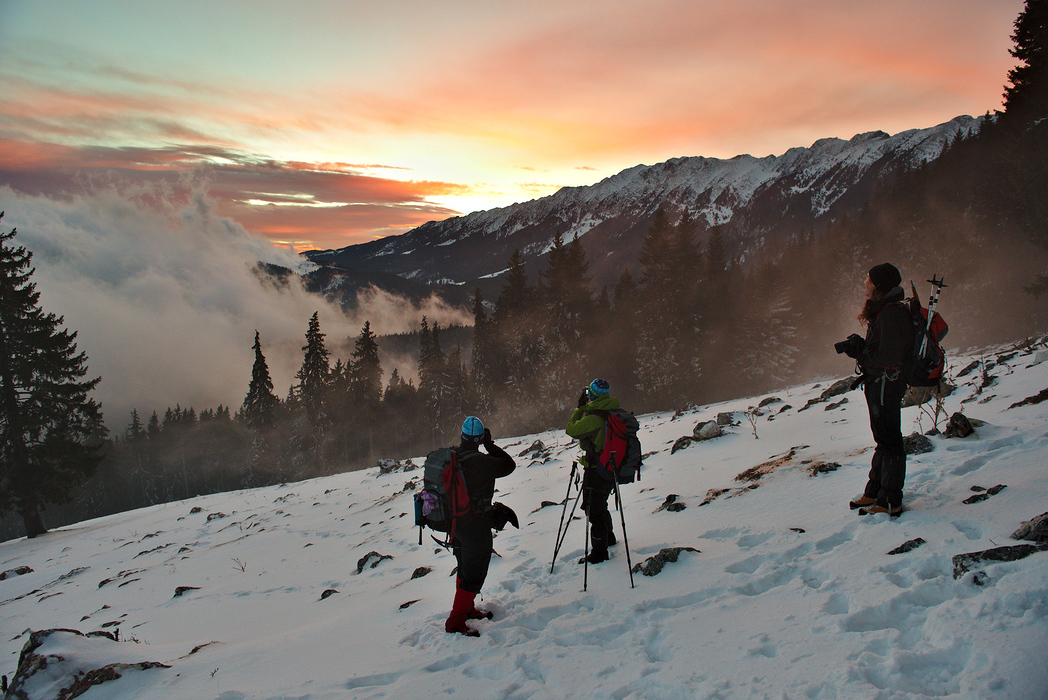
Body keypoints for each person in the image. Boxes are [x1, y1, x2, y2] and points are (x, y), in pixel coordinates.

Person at [838, 263, 915, 517]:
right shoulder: (886, 311)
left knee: (890, 440)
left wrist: (861, 354)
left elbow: (890, 357)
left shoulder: (890, 313)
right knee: (883, 438)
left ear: (879, 285)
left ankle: (891, 500)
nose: (865, 283)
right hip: (880, 384)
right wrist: (861, 349)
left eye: (868, 279)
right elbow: (883, 350)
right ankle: (876, 492)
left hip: (886, 384)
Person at [444, 416, 516, 637]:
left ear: (463, 436)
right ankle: (455, 622)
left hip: (455, 525)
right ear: (479, 438)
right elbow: (509, 464)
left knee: (465, 567)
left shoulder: (453, 458)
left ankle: (468, 609)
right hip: (475, 526)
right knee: (474, 573)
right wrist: (490, 444)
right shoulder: (483, 462)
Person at [565, 377, 619, 564]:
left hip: (597, 469)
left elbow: (571, 430)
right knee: (601, 503)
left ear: (592, 396)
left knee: (594, 510)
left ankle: (599, 552)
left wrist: (579, 409)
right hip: (611, 468)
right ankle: (608, 538)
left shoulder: (595, 418)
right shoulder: (613, 411)